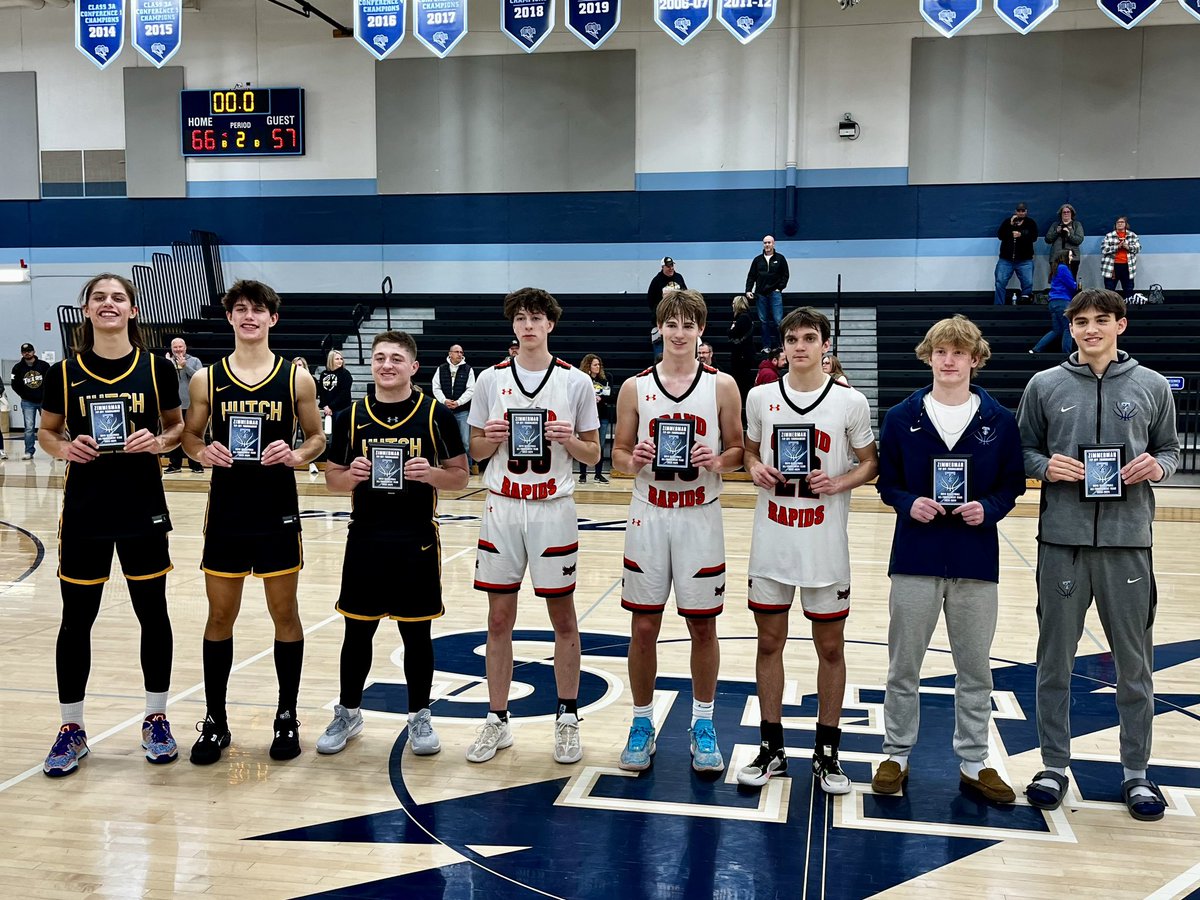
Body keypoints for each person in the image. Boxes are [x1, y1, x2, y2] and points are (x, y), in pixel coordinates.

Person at [1016, 289, 1179, 822]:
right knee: (1054, 661)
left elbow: (1171, 450)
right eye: (1081, 321)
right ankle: (1053, 766)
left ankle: (1136, 773)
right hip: (1061, 544)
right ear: (1071, 328)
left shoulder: (1153, 386)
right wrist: (1044, 467)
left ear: (1120, 325)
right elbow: (1022, 450)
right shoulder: (1046, 384)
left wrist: (1158, 468)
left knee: (1134, 665)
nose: (1091, 330)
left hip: (1129, 544)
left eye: (1101, 321)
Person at [872, 315, 1025, 803]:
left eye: (959, 351)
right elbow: (886, 482)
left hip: (975, 558)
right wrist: (905, 502)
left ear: (976, 359)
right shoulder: (901, 418)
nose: (950, 359)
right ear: (928, 356)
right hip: (915, 556)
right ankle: (896, 753)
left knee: (975, 668)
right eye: (941, 351)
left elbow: (1013, 484)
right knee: (904, 665)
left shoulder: (999, 421)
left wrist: (992, 507)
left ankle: (975, 761)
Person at [37, 274, 184, 777]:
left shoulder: (157, 368)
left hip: (142, 505)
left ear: (133, 310)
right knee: (77, 619)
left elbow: (177, 427)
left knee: (152, 612)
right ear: (86, 309)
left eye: (118, 297)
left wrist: (160, 443)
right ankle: (71, 728)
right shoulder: (64, 371)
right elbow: (47, 432)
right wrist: (65, 449)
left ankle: (156, 716)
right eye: (99, 297)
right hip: (86, 508)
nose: (108, 304)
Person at [181, 280, 325, 765]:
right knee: (220, 617)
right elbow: (190, 438)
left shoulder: (296, 379)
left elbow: (317, 439)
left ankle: (286, 716)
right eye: (240, 309)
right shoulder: (208, 379)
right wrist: (203, 452)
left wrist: (296, 453)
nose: (249, 316)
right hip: (226, 510)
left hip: (276, 510)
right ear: (229, 318)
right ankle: (215, 720)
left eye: (258, 310)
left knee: (284, 614)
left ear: (272, 319)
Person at [737, 307, 877, 793]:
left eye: (809, 338)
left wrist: (839, 481)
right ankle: (771, 749)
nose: (800, 346)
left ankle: (828, 753)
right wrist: (753, 467)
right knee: (768, 643)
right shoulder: (759, 397)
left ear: (825, 347)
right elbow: (750, 451)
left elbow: (870, 463)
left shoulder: (849, 402)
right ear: (783, 347)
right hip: (773, 541)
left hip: (823, 544)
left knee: (831, 648)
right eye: (792, 338)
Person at [317, 331, 468, 756]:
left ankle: (419, 714)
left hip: (416, 537)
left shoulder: (435, 414)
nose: (387, 365)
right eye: (380, 357)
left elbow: (460, 476)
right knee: (356, 630)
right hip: (365, 535)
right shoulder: (350, 416)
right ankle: (348, 711)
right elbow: (331, 479)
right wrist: (352, 477)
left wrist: (431, 475)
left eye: (396, 358)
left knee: (416, 634)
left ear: (413, 367)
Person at [466, 287, 601, 765]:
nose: (527, 325)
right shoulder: (489, 379)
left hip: (552, 507)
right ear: (513, 325)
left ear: (550, 324)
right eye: (520, 318)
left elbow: (594, 453)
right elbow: (476, 450)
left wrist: (570, 440)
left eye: (536, 317)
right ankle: (497, 719)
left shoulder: (574, 382)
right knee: (498, 619)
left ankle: (566, 716)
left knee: (562, 617)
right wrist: (490, 439)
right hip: (503, 506)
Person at [612, 290, 744, 774]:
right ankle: (642, 722)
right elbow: (618, 458)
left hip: (699, 513)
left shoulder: (723, 385)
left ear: (701, 331)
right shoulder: (634, 387)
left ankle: (703, 723)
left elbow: (739, 453)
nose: (680, 332)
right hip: (649, 512)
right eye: (672, 323)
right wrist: (635, 459)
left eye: (689, 324)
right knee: (644, 625)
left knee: (702, 624)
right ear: (660, 328)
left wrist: (719, 460)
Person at [432, 343, 476, 471]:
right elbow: (436, 387)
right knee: (443, 441)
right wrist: (444, 401)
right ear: (450, 353)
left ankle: (468, 467)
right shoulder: (441, 369)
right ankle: (446, 467)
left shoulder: (468, 369)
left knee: (466, 442)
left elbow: (471, 389)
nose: (460, 354)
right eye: (457, 352)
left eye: (462, 352)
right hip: (445, 412)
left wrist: (458, 402)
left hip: (462, 411)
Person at [164, 338, 204, 473]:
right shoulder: (167, 362)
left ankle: (196, 465)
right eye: (175, 347)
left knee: (192, 434)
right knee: (174, 435)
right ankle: (175, 465)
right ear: (171, 348)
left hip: (192, 404)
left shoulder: (195, 361)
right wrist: (168, 367)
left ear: (185, 347)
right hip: (173, 405)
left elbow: (200, 378)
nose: (178, 350)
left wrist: (185, 366)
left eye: (180, 347)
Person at [744, 235, 790, 351]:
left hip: (775, 293)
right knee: (764, 322)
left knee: (778, 321)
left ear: (773, 244)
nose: (767, 245)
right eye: (765, 243)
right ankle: (766, 346)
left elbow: (785, 275)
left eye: (769, 242)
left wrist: (780, 288)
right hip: (760, 294)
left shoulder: (780, 258)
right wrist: (748, 290)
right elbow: (751, 276)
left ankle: (780, 346)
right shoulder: (757, 260)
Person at [12, 341, 51, 460]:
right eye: (24, 352)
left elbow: (51, 381)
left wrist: (47, 395)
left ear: (34, 352)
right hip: (27, 402)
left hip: (44, 401)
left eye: (29, 351)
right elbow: (14, 384)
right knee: (29, 427)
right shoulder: (17, 368)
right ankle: (29, 451)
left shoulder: (44, 366)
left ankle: (55, 450)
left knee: (50, 426)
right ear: (21, 354)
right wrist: (24, 394)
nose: (27, 353)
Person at [994, 202, 1038, 305]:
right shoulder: (1007, 222)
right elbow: (1000, 235)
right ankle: (999, 306)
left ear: (1026, 211)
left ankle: (1025, 303)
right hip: (1006, 259)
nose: (1021, 213)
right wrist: (1010, 226)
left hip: (1025, 260)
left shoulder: (1030, 223)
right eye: (1019, 211)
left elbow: (1034, 237)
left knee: (1028, 283)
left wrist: (1021, 235)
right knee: (1000, 282)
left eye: (1023, 211)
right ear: (1015, 211)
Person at [578, 353, 612, 484]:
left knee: (600, 446)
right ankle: (582, 474)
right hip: (585, 416)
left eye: (599, 365)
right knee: (584, 445)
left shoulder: (606, 379)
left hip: (602, 415)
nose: (598, 367)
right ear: (588, 366)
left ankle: (598, 474)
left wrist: (601, 398)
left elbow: (611, 395)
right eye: (595, 365)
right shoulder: (582, 379)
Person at [1030, 264, 1077, 356]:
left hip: (1053, 302)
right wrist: (1076, 285)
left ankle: (1036, 349)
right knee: (1068, 327)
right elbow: (1071, 285)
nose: (1071, 258)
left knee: (1057, 330)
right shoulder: (1064, 268)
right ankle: (1066, 354)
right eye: (1070, 255)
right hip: (1063, 301)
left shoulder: (1056, 268)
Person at [647, 257, 686, 344]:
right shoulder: (656, 280)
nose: (671, 268)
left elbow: (685, 294)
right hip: (663, 317)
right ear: (662, 267)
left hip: (678, 315)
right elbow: (650, 299)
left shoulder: (679, 277)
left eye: (672, 265)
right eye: (668, 266)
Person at [1100, 216, 1141, 299]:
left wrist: (1128, 247)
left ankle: (1129, 307)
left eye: (1122, 222)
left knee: (1128, 289)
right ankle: (1109, 308)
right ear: (1115, 224)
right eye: (1118, 222)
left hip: (1127, 267)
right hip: (1112, 267)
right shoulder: (1109, 236)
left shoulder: (1132, 235)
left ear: (1126, 224)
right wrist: (1117, 247)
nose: (1120, 224)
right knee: (1109, 290)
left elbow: (1138, 248)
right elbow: (1104, 249)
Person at [728, 296, 756, 402]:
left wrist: (730, 329)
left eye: (734, 303)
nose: (732, 305)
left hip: (742, 354)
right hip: (744, 353)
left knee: (741, 380)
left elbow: (732, 333)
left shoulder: (743, 318)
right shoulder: (746, 317)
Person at [1045, 204, 1083, 279]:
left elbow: (1079, 240)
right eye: (1064, 212)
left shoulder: (1076, 225)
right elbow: (1047, 239)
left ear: (1072, 213)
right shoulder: (1055, 225)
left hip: (1072, 258)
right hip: (1056, 258)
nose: (1066, 213)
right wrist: (1056, 232)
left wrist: (1069, 235)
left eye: (1068, 212)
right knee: (1057, 280)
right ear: (1061, 214)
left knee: (1071, 279)